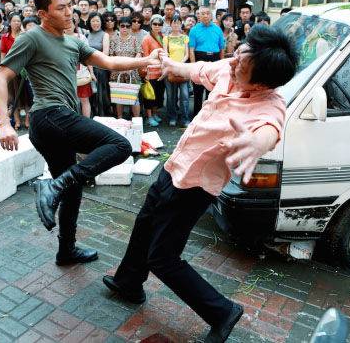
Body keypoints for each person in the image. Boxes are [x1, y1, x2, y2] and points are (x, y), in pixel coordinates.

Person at [103, 25, 299, 342]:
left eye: (241, 66)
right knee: (144, 223)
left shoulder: (270, 105)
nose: (232, 65)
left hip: (194, 188)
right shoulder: (231, 66)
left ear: (262, 82)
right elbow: (200, 69)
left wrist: (256, 143)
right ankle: (129, 281)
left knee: (163, 257)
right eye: (237, 55)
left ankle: (222, 312)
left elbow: (270, 129)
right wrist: (171, 67)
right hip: (175, 166)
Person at [0, 0, 161, 266]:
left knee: (71, 189)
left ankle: (66, 250)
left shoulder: (73, 42)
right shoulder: (32, 38)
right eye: (61, 8)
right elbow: (0, 77)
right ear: (43, 12)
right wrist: (4, 123)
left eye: (70, 6)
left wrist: (146, 59)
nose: (70, 12)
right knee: (119, 145)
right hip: (49, 116)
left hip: (58, 122)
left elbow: (108, 62)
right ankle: (53, 188)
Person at [189, 6, 225, 116]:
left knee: (212, 91)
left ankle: (210, 116)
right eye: (202, 13)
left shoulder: (218, 29)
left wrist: (222, 65)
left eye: (208, 13)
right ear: (198, 15)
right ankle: (197, 116)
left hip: (214, 59)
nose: (205, 15)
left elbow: (222, 49)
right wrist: (193, 67)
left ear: (211, 15)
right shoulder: (194, 30)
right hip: (200, 59)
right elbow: (191, 50)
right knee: (198, 90)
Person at [109, 16, 142, 119]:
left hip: (132, 72)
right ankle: (120, 119)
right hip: (117, 72)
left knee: (134, 97)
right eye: (122, 26)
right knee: (119, 97)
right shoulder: (114, 39)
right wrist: (119, 67)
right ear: (119, 26)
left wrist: (131, 66)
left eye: (127, 26)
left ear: (130, 27)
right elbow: (111, 55)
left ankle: (136, 119)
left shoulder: (134, 39)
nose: (125, 28)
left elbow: (139, 53)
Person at [0, 13, 28, 130]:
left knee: (26, 96)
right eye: (14, 21)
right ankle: (17, 121)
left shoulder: (25, 36)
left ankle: (27, 120)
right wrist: (2, 69)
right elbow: (3, 55)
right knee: (13, 96)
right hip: (11, 70)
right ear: (10, 22)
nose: (17, 23)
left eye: (18, 21)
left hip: (24, 70)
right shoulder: (5, 37)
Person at [163, 15, 190, 127]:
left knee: (184, 95)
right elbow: (165, 54)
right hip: (170, 69)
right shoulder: (166, 38)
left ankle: (185, 119)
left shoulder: (185, 37)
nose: (176, 25)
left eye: (178, 23)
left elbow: (187, 54)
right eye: (174, 23)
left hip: (182, 69)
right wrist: (172, 65)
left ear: (181, 24)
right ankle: (172, 117)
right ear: (170, 24)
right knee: (170, 95)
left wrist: (179, 65)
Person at [66, 18, 95, 118]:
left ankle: (86, 121)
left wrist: (91, 73)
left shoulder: (81, 37)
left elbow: (88, 56)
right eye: (66, 23)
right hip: (66, 74)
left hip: (82, 73)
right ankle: (72, 122)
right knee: (68, 100)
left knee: (84, 99)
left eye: (71, 24)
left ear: (75, 25)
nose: (69, 26)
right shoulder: (58, 37)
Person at [141, 14, 165, 127]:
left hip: (161, 71)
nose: (157, 26)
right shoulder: (146, 38)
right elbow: (145, 56)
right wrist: (145, 72)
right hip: (150, 72)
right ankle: (149, 117)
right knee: (149, 95)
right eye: (154, 24)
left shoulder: (163, 36)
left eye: (159, 24)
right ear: (150, 25)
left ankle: (155, 114)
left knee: (158, 94)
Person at [88, 12, 111, 116]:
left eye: (97, 21)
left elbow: (105, 53)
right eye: (93, 21)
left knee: (101, 94)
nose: (95, 23)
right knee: (90, 94)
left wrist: (92, 61)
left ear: (101, 22)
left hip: (100, 68)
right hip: (88, 68)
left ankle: (102, 116)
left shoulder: (105, 35)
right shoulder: (87, 35)